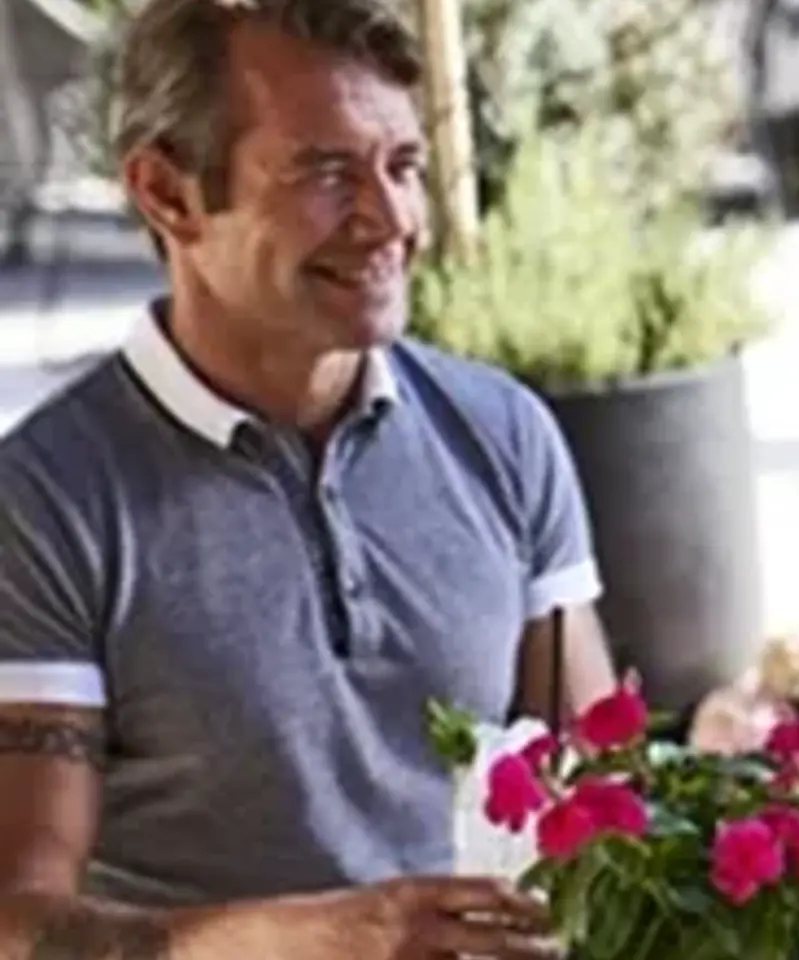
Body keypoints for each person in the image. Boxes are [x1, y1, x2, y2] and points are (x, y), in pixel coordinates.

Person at [0, 0, 620, 956]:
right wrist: (333, 936)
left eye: (403, 166)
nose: (390, 219)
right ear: (167, 193)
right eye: (325, 172)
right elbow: (18, 923)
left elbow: (601, 806)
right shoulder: (45, 504)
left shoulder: (504, 436)